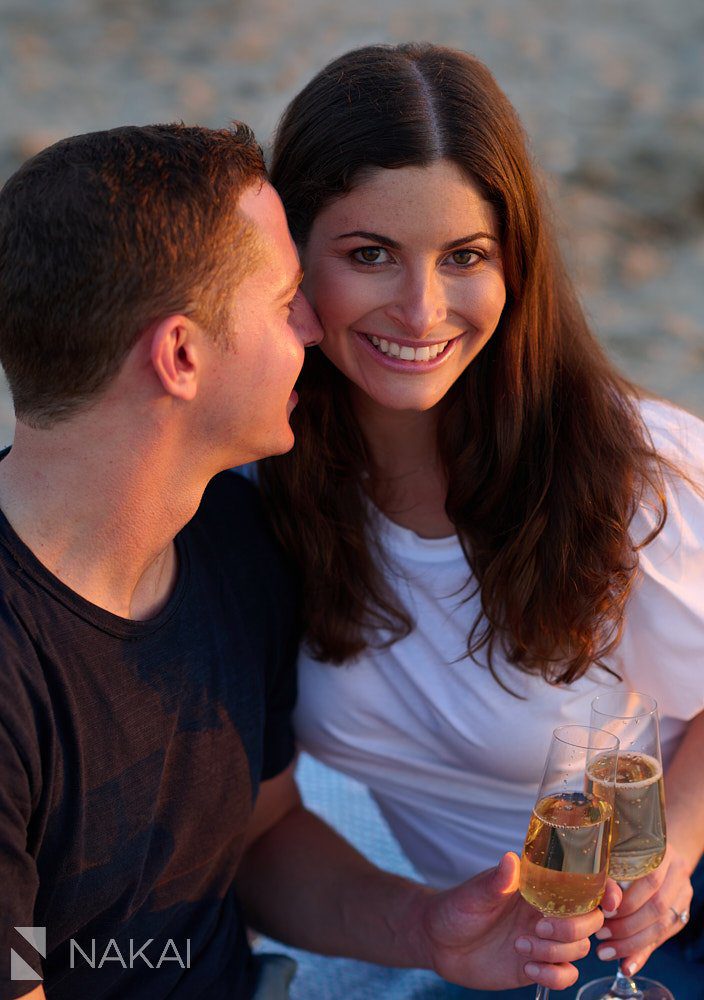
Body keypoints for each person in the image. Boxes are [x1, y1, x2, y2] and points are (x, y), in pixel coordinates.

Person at [0, 123, 611, 1000]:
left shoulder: (234, 539)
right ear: (180, 356)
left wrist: (427, 928)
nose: (316, 325)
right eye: (285, 296)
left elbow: (257, 837)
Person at [260, 43, 704, 996]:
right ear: (291, 257)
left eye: (465, 257)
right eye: (369, 254)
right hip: (484, 935)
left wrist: (676, 842)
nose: (422, 310)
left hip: (654, 902)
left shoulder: (628, 478)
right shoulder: (256, 484)